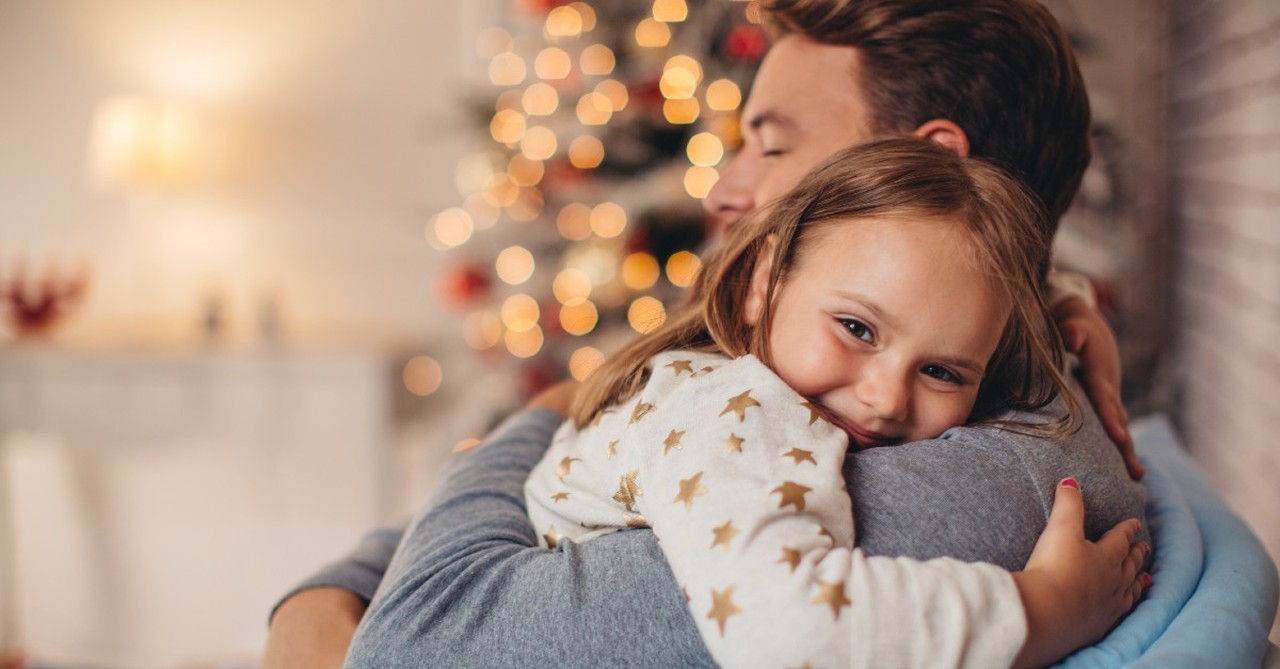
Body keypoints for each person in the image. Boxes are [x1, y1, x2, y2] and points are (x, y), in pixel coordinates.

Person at [262, 1, 1148, 667]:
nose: (724, 190)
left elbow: (419, 639)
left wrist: (533, 424)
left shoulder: (983, 472)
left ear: (928, 168)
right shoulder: (781, 385)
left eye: (772, 144)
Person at [523, 138, 1148, 668]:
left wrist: (1068, 302)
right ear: (765, 283)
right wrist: (1045, 609)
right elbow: (790, 632)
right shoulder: (731, 412)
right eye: (856, 328)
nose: (884, 400)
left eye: (941, 372)